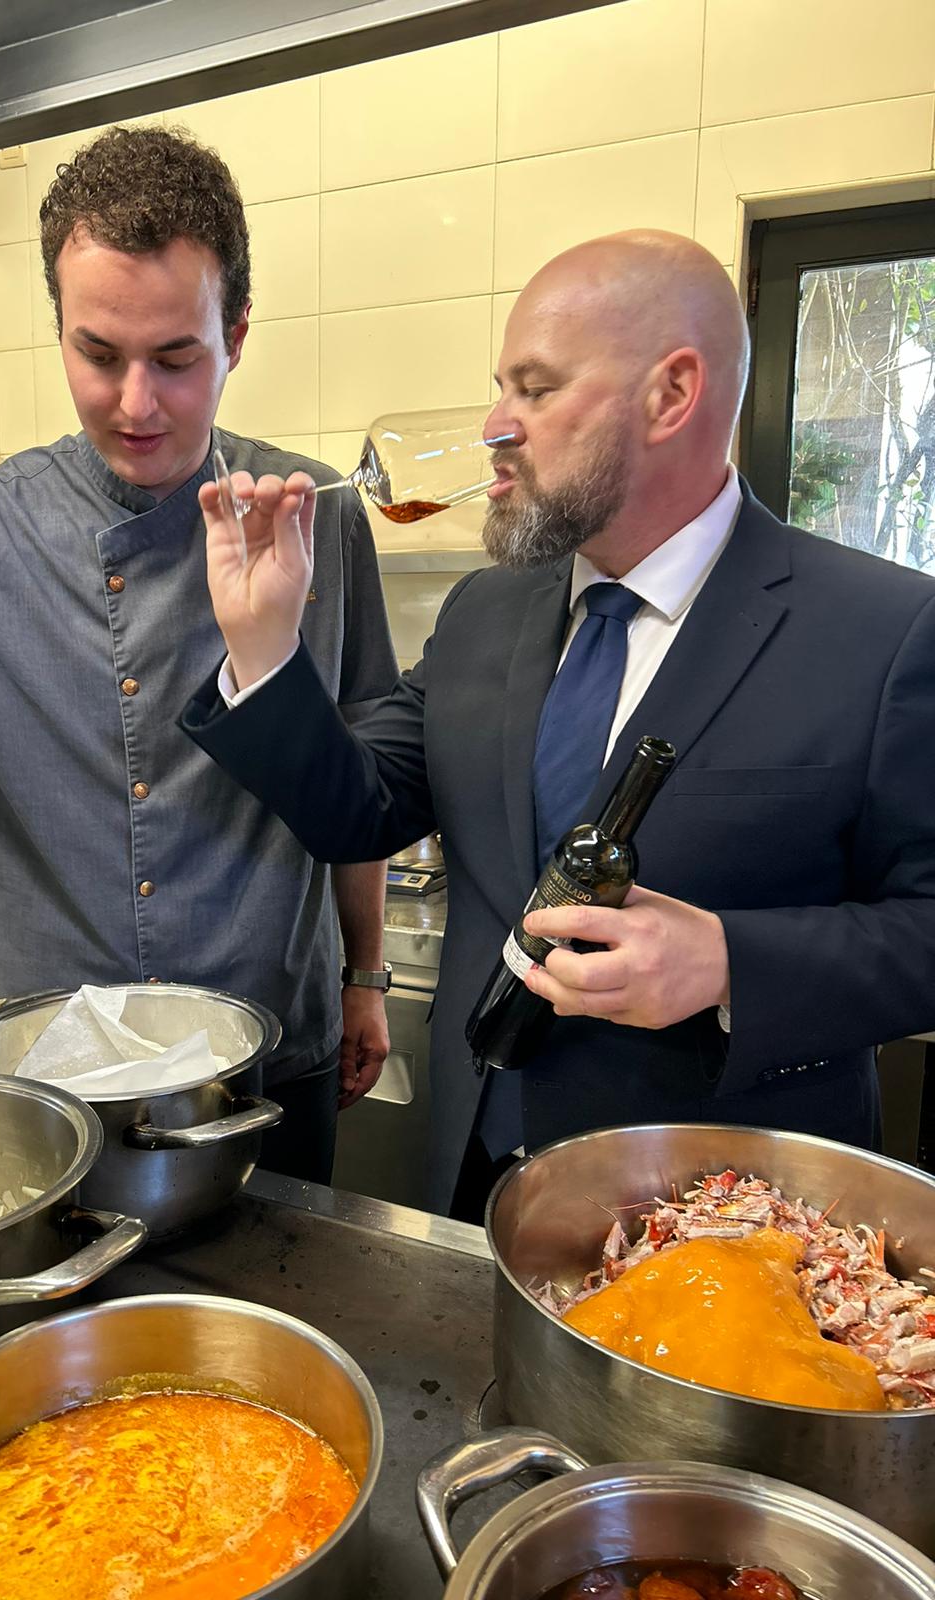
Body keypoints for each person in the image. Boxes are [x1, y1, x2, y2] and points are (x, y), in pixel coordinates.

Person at [181, 228, 935, 1220]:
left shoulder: (884, 632)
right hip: (480, 1180)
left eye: (533, 391)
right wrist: (262, 650)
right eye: (501, 387)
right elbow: (354, 811)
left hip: (726, 1224)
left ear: (670, 395)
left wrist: (728, 963)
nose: (497, 426)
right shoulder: (483, 613)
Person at [0, 125, 398, 1185]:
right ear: (59, 329)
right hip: (56, 1084)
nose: (137, 404)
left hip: (274, 1060)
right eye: (98, 355)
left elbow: (359, 781)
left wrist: (367, 971)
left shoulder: (310, 513)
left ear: (235, 334)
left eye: (177, 360)